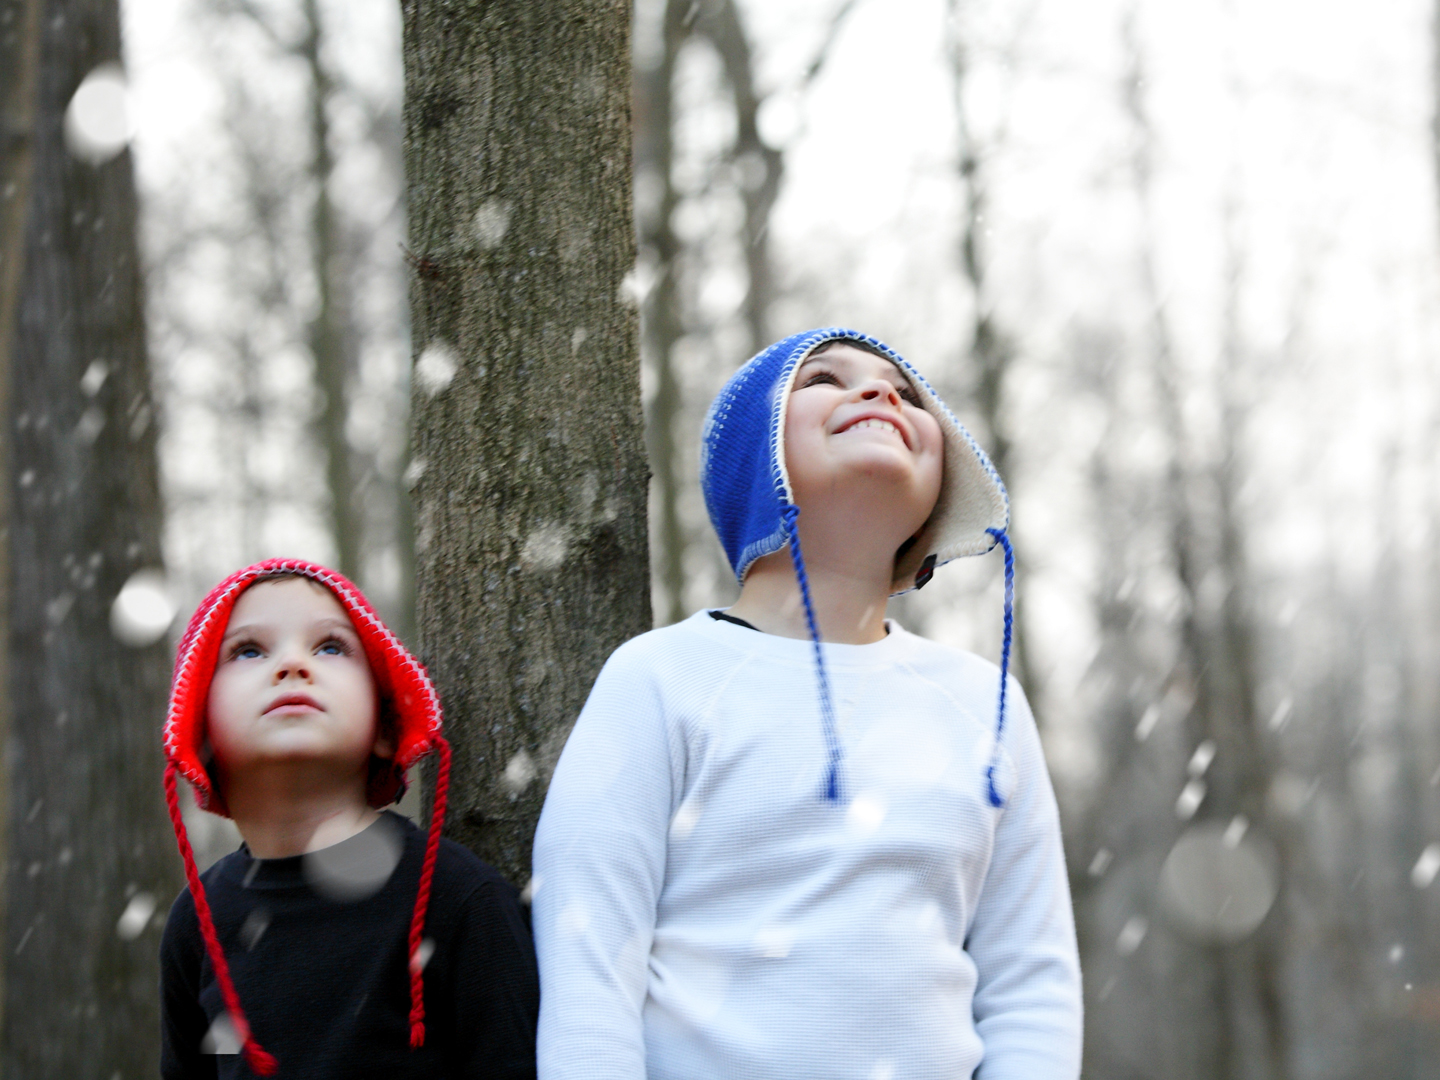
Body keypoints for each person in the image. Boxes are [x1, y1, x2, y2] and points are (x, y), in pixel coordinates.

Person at [532, 328, 1081, 1079]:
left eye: (908, 392)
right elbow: (589, 962)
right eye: (823, 378)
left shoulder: (984, 704)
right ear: (752, 459)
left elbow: (1031, 985)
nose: (881, 391)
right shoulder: (661, 677)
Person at [159, 559, 539, 1078]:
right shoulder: (195, 923)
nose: (292, 665)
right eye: (249, 650)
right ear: (200, 736)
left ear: (385, 727)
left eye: (330, 647)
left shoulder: (460, 900)